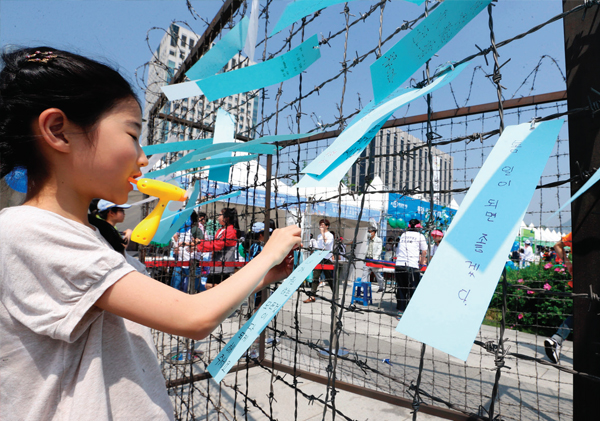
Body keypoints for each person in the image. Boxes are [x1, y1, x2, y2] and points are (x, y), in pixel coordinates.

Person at [0, 47, 301, 420]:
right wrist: (269, 252)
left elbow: (165, 305)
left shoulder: (87, 231)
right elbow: (193, 317)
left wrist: (260, 274)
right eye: (132, 134)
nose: (143, 159)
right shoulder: (27, 230)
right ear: (58, 131)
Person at [545, 232, 573, 363]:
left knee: (581, 312)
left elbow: (557, 245)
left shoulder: (579, 230)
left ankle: (556, 340)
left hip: (582, 279)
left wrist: (568, 263)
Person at [196, 207, 241, 289]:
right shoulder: (221, 230)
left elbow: (218, 245)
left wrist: (200, 243)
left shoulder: (230, 231)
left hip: (224, 265)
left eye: (220, 215)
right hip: (217, 264)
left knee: (214, 287)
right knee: (211, 286)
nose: (218, 217)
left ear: (226, 218)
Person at [395, 219, 427, 318]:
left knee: (401, 288)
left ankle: (400, 311)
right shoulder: (420, 236)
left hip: (399, 264)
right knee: (413, 288)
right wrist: (422, 262)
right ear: (418, 227)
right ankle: (412, 312)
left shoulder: (403, 235)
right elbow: (424, 251)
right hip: (411, 265)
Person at [171, 210, 205, 293]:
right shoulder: (180, 228)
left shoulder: (195, 229)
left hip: (192, 261)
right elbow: (176, 241)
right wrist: (176, 246)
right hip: (180, 259)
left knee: (195, 286)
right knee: (175, 283)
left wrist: (187, 244)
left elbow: (201, 242)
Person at [304, 218, 334, 303]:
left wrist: (322, 233)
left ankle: (335, 294)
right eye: (320, 225)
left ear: (327, 226)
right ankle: (312, 296)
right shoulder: (319, 236)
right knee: (315, 277)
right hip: (319, 257)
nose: (321, 226)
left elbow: (327, 244)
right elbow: (319, 246)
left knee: (329, 278)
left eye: (322, 225)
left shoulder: (330, 235)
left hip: (327, 258)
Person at [362, 227, 384, 292]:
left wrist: (375, 259)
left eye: (370, 231)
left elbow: (379, 250)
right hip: (367, 259)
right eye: (368, 231)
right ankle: (363, 289)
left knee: (378, 275)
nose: (369, 233)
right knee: (364, 275)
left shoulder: (378, 240)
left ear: (374, 232)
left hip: (375, 260)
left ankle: (381, 287)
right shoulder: (367, 240)